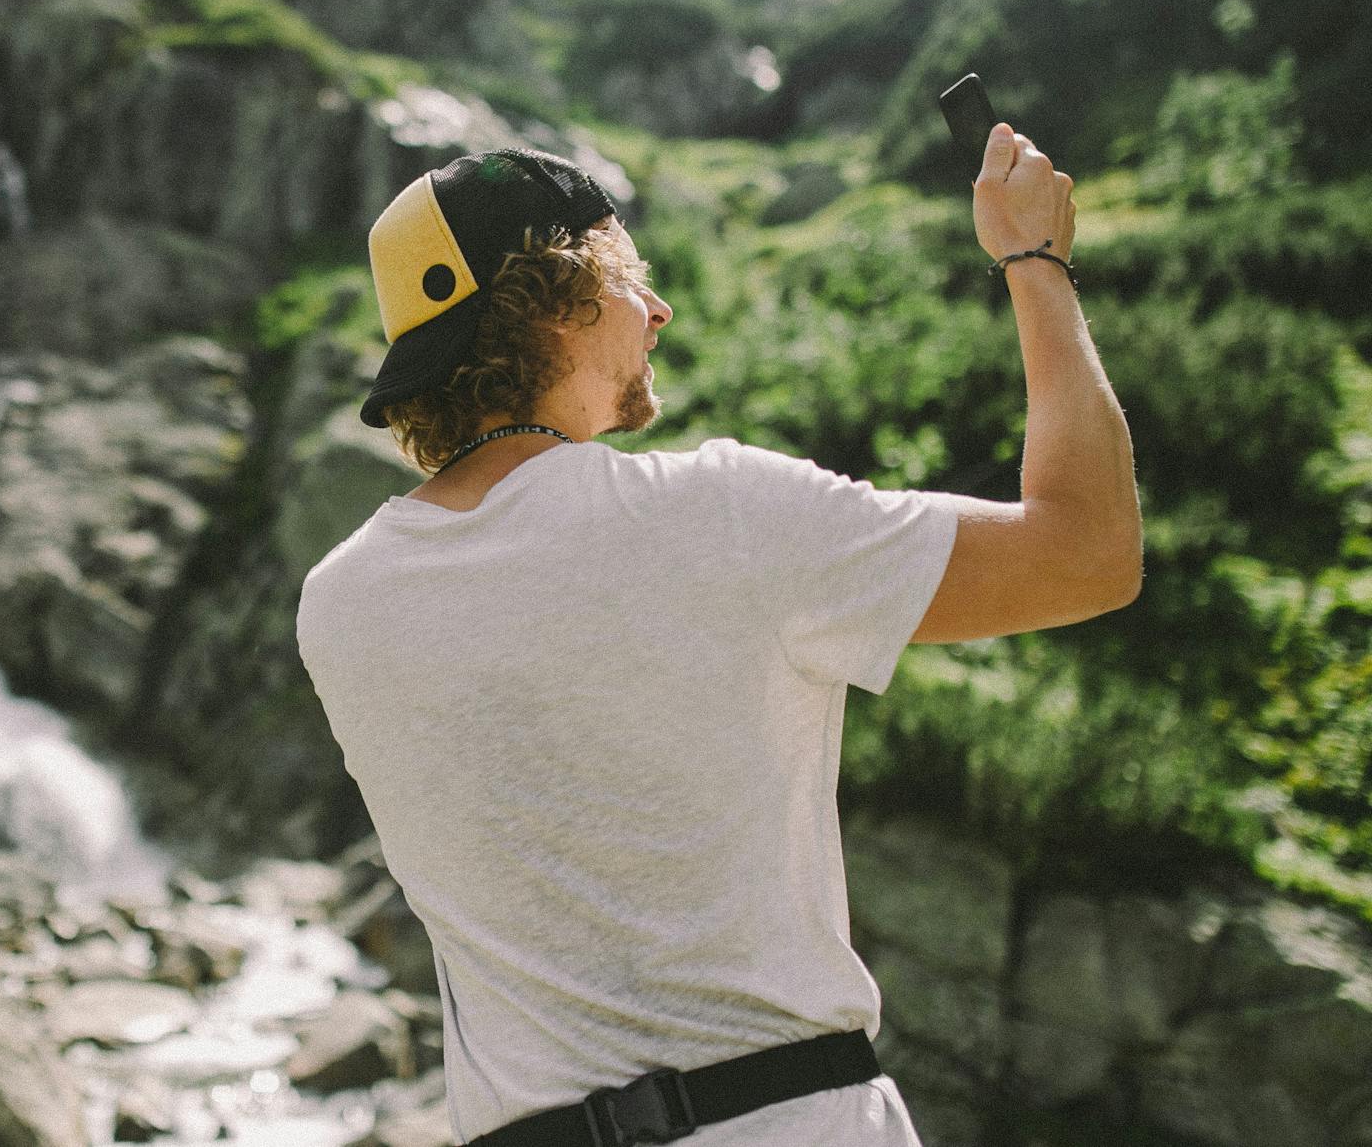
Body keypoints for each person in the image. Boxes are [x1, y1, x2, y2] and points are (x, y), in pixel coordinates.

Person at [294, 127, 1141, 1146]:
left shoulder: (340, 604)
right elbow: (1088, 551)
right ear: (555, 299)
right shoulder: (721, 513)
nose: (656, 310)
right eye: (626, 277)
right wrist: (1034, 263)